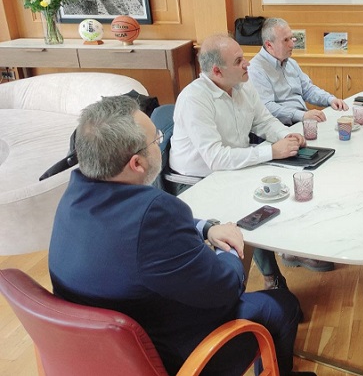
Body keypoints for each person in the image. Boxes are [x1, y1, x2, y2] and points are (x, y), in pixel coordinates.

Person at [49, 96, 315, 376]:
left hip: (97, 355)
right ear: (137, 163)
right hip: (170, 356)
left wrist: (206, 228)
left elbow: (142, 236)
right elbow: (226, 288)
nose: (160, 145)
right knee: (282, 304)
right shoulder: (154, 212)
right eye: (157, 140)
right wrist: (229, 248)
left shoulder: (73, 197)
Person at [170, 34, 333, 286]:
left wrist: (287, 135)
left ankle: (290, 248)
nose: (247, 63)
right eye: (238, 61)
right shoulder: (194, 99)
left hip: (234, 167)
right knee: (251, 209)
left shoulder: (243, 86)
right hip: (195, 181)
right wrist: (272, 152)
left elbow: (264, 121)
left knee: (283, 188)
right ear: (217, 71)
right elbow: (216, 158)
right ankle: (270, 277)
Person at [248, 18, 348, 126]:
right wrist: (302, 115)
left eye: (292, 38)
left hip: (302, 119)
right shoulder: (255, 69)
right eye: (286, 40)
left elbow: (308, 90)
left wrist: (330, 99)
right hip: (281, 127)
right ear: (269, 45)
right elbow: (267, 107)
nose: (292, 44)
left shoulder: (291, 63)